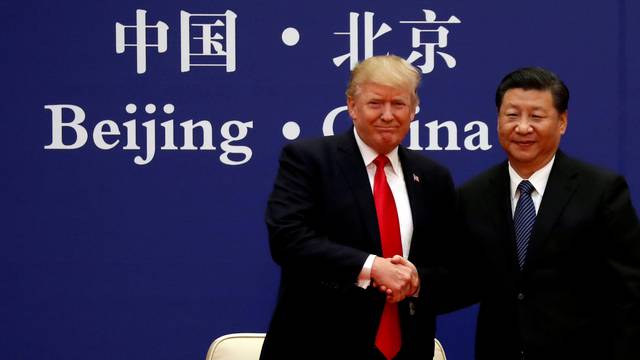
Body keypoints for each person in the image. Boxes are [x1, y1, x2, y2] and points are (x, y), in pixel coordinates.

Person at [260, 55, 456, 359]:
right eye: (376, 103)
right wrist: (372, 268)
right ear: (352, 106)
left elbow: (450, 264)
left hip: (406, 348)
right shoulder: (310, 160)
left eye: (399, 104)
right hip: (317, 345)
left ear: (414, 110)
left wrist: (416, 281)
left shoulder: (432, 177)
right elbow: (288, 239)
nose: (388, 115)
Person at [457, 67, 640, 359]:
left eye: (537, 117)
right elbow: (462, 279)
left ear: (562, 122)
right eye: (512, 115)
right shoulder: (473, 195)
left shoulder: (601, 191)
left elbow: (630, 292)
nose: (523, 127)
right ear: (498, 120)